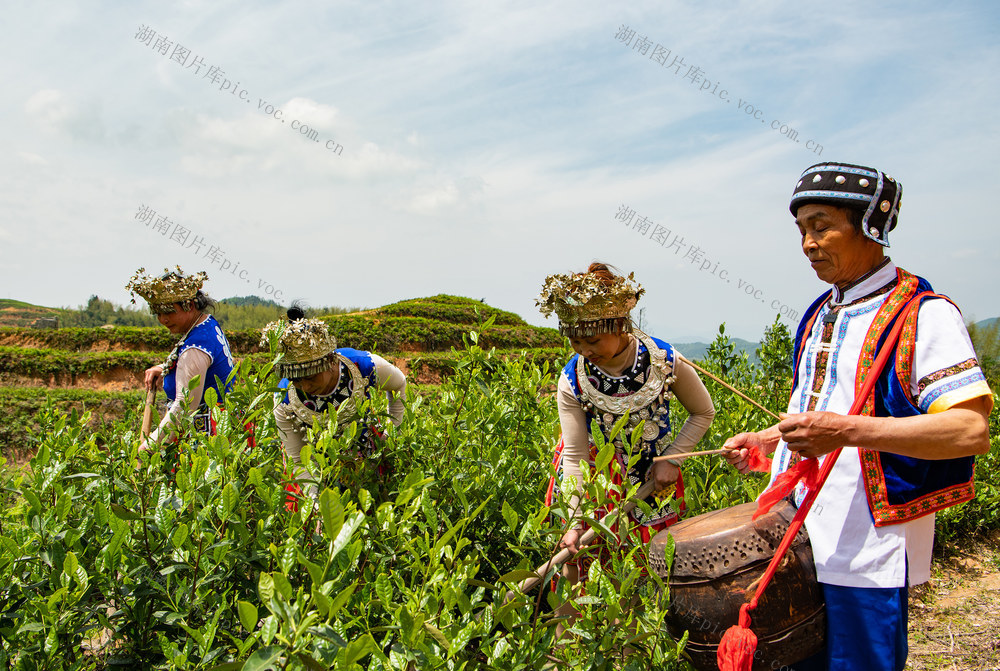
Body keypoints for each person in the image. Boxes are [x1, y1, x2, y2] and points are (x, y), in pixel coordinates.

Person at [723, 162, 993, 671]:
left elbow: (969, 429)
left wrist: (845, 431)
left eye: (821, 225)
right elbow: (814, 408)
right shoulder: (820, 313)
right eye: (801, 229)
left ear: (872, 227)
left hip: (867, 548)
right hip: (796, 535)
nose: (807, 243)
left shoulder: (923, 313)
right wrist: (768, 440)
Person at [536, 263, 716, 593]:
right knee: (579, 569)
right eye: (576, 342)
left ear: (620, 325)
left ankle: (638, 643)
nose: (585, 351)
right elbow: (575, 456)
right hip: (592, 478)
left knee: (648, 570)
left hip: (652, 477)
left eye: (592, 340)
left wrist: (672, 459)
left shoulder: (662, 359)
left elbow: (703, 412)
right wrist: (576, 520)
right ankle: (569, 643)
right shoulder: (573, 379)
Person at [262, 307, 407, 503]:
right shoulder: (284, 400)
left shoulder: (362, 366)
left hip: (368, 463)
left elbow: (399, 383)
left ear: (330, 362)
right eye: (296, 380)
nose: (304, 386)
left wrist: (391, 437)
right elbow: (299, 460)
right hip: (315, 473)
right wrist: (315, 503)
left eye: (311, 377)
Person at [127, 267, 235, 449]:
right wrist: (167, 368)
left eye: (169, 312)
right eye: (158, 313)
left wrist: (150, 446)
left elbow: (184, 407)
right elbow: (202, 368)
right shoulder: (206, 324)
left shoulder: (196, 346)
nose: (163, 319)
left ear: (190, 305)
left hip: (206, 439)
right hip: (221, 430)